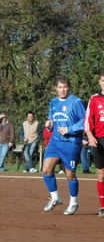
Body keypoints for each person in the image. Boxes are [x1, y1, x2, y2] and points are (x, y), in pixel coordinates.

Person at [41, 76, 86, 215]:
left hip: (71, 143)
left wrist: (69, 130)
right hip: (55, 141)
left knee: (70, 175)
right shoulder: (53, 102)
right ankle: (55, 198)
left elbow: (84, 121)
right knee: (46, 170)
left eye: (65, 87)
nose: (62, 90)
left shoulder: (76, 102)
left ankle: (73, 202)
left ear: (69, 88)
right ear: (56, 88)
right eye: (59, 87)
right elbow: (52, 117)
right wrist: (49, 123)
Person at [84, 71, 104, 216]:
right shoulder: (94, 99)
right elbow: (88, 120)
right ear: (99, 81)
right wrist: (90, 135)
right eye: (103, 80)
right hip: (99, 140)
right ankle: (103, 206)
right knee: (101, 174)